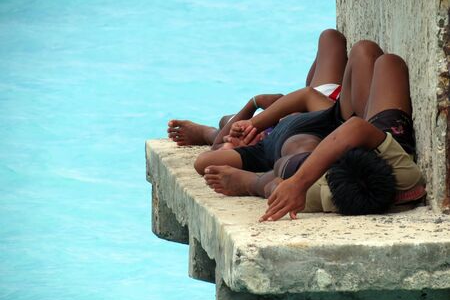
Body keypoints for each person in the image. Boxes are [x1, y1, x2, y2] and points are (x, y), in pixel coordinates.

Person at [197, 40, 425, 218]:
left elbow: (272, 185)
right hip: (382, 133)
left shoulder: (323, 190)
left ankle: (215, 133)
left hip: (308, 147)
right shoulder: (406, 176)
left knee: (284, 167)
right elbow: (356, 129)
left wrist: (250, 182)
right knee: (385, 60)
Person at [167, 29, 347, 149]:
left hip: (306, 107)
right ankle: (213, 133)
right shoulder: (271, 140)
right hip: (323, 107)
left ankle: (208, 133)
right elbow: (307, 98)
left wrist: (254, 103)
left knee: (227, 122)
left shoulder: (260, 140)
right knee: (330, 38)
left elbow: (216, 150)